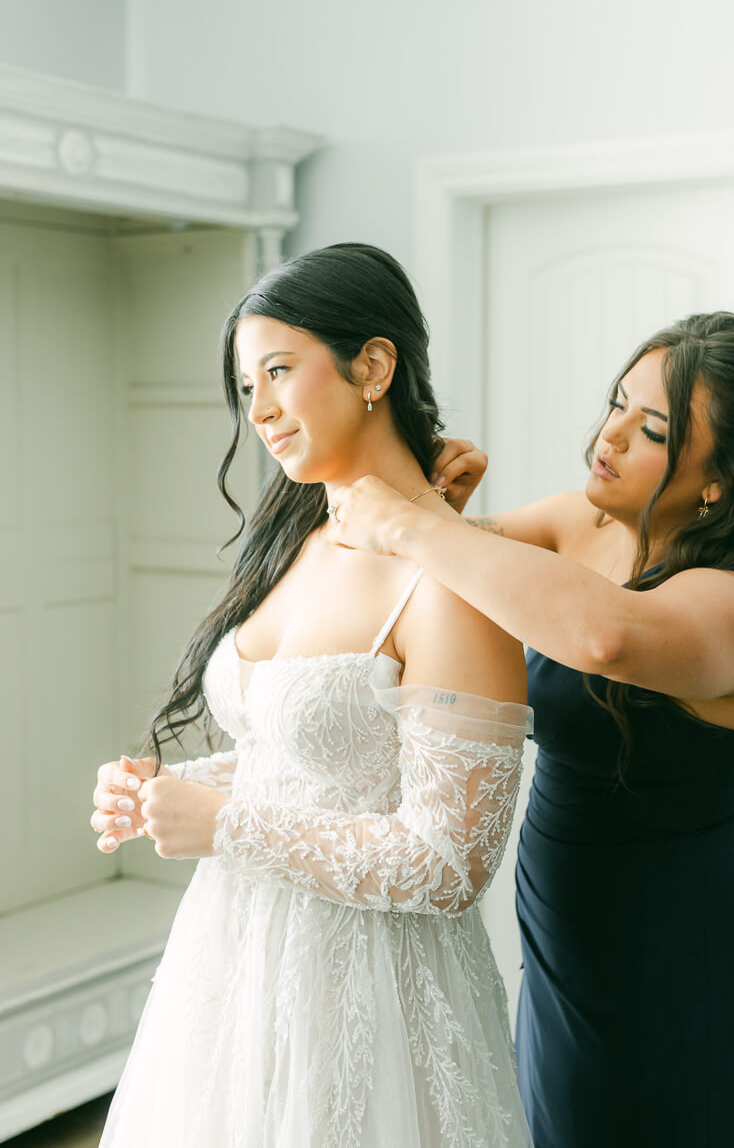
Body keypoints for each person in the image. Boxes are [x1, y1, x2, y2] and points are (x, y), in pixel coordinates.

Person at [89, 243, 536, 1148]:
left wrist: (223, 826)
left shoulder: (453, 580)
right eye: (244, 384)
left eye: (279, 372)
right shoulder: (295, 534)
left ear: (373, 366)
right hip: (234, 971)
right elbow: (299, 753)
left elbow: (451, 864)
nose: (257, 411)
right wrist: (168, 791)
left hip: (371, 999)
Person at [325, 310, 734, 1147]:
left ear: (721, 479)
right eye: (618, 402)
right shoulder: (582, 526)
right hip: (568, 922)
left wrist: (416, 523)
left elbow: (603, 636)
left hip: (687, 943)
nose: (608, 435)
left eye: (650, 428)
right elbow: (437, 568)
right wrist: (437, 510)